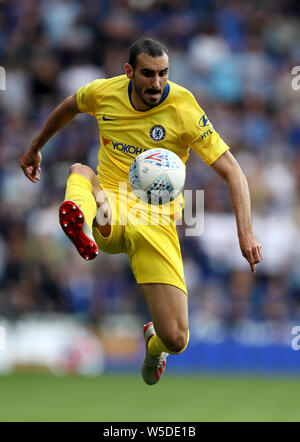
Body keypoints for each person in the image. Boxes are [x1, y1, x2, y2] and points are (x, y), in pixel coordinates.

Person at [19, 37, 262, 385]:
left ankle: (153, 345)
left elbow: (232, 171)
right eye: (148, 74)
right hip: (112, 208)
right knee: (83, 174)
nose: (157, 82)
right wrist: (35, 148)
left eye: (164, 73)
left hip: (157, 221)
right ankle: (80, 203)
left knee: (177, 339)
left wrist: (246, 232)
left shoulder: (184, 108)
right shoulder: (103, 92)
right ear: (129, 71)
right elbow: (68, 106)